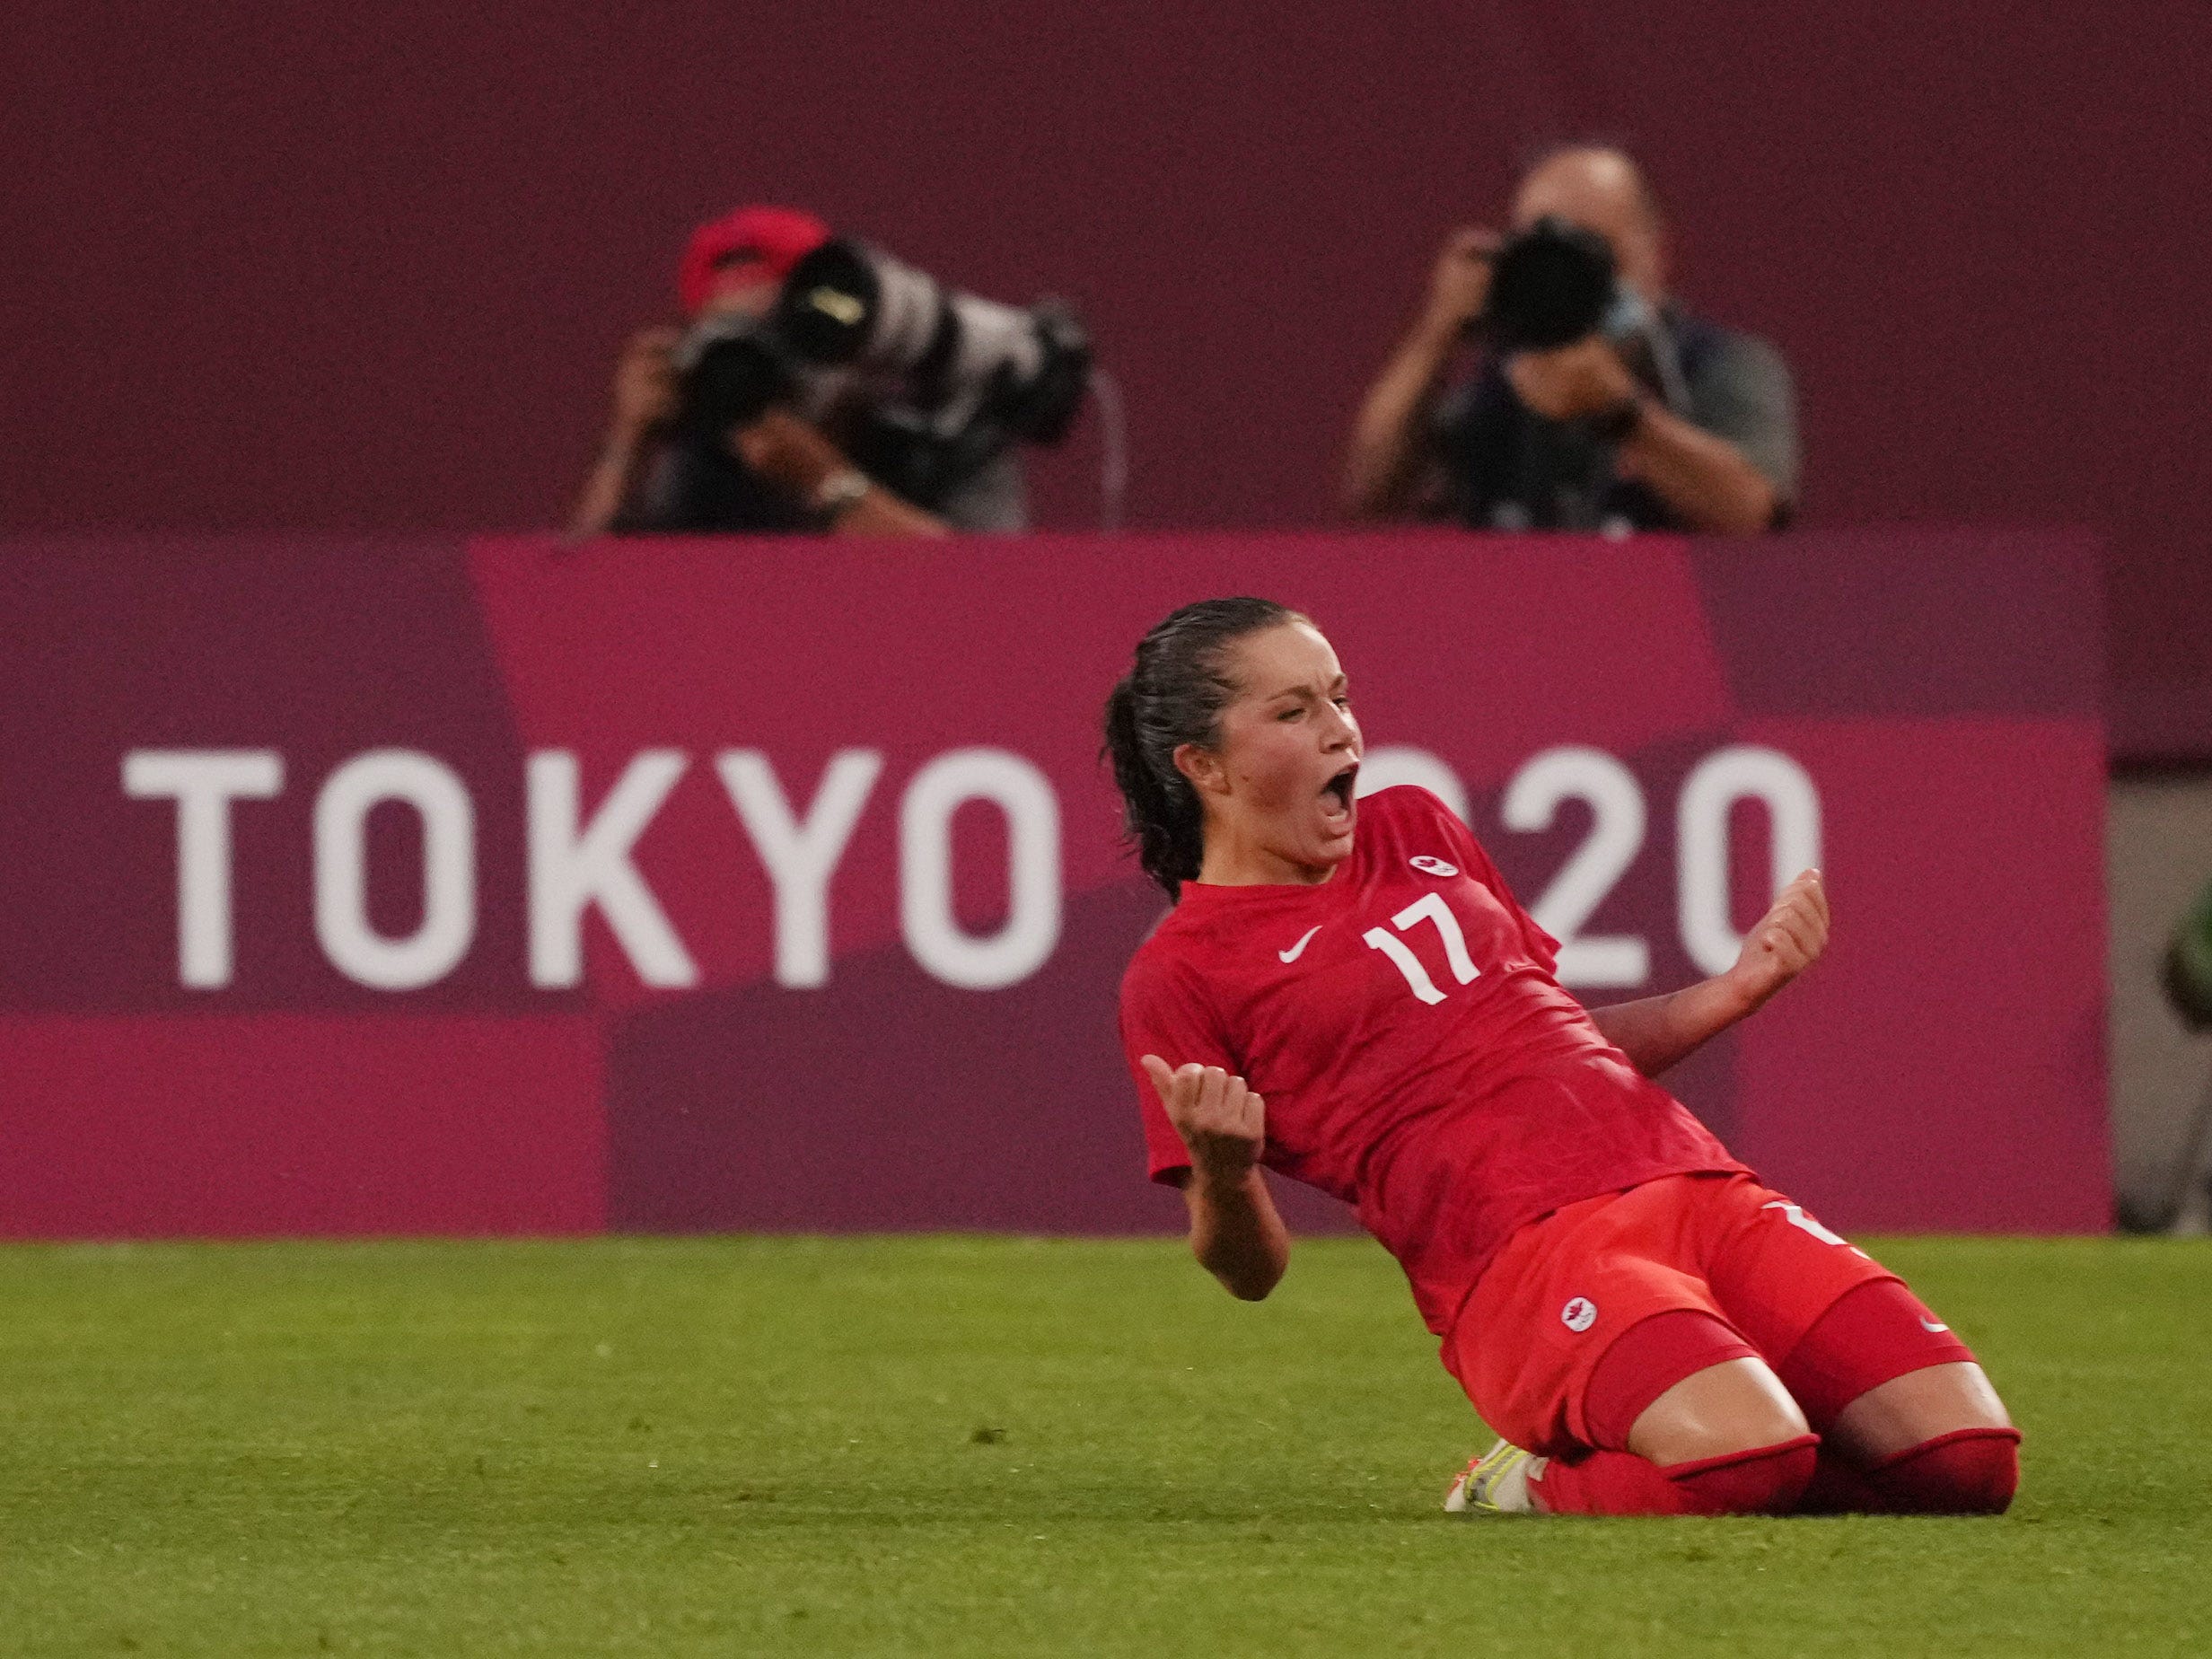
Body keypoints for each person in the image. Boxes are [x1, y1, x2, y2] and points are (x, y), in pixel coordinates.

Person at [1105, 597, 2019, 1517]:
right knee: (1745, 1463)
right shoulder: (1181, 973)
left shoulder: (1415, 826)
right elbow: (1248, 1271)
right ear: (1204, 766)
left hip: (1695, 1184)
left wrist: (1732, 991)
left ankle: (1740, 1431)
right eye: (1293, 713)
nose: (1341, 732)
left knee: (1967, 1463)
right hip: (1518, 1258)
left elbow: (1546, 1042)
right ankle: (1518, 1485)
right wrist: (1226, 1175)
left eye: (1339, 698)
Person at [1342, 147, 1798, 535]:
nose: (1568, 277)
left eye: (1591, 252)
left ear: (1654, 254)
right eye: (1545, 252)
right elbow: (1370, 492)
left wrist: (1622, 413)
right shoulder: (1503, 380)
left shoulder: (1720, 364)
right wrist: (1436, 334)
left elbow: (1755, 517)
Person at [567, 204, 1022, 541]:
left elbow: (984, 597)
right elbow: (590, 607)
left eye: (779, 333)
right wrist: (628, 445)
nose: (765, 364)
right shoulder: (708, 452)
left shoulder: (935, 428)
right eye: (733, 340)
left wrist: (828, 483)